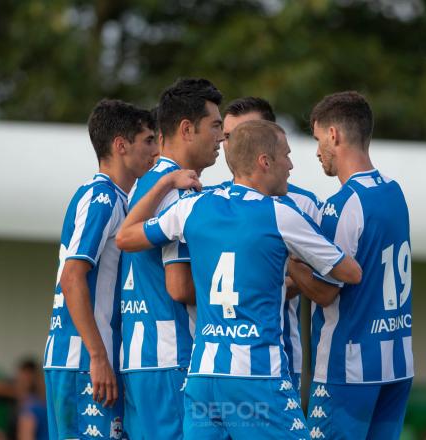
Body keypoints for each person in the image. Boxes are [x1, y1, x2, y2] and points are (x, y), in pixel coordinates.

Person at [117, 120, 362, 439]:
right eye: (286, 155)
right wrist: (292, 261)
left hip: (204, 378)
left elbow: (125, 237)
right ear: (265, 161)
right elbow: (350, 272)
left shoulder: (192, 206)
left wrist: (165, 184)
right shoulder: (280, 214)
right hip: (256, 377)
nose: (290, 165)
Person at [288, 91, 413, 439]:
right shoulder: (394, 192)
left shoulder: (342, 204)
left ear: (334, 135)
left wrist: (292, 264)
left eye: (316, 139)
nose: (316, 152)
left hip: (349, 367)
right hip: (397, 361)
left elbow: (326, 293)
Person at [43, 99, 164, 439]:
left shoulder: (115, 198)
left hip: (78, 358)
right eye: (149, 141)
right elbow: (72, 276)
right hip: (82, 360)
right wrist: (98, 357)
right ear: (121, 145)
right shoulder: (103, 198)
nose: (156, 151)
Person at [117, 78, 224, 440]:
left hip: (145, 356)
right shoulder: (177, 190)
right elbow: (178, 286)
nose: (222, 137)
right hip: (171, 356)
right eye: (216, 125)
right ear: (186, 129)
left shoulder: (150, 182)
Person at [212, 96, 324, 393]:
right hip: (214, 366)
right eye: (227, 136)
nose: (235, 143)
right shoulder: (205, 202)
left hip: (279, 360)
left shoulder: (304, 204)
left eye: (245, 132)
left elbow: (327, 280)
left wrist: (278, 282)